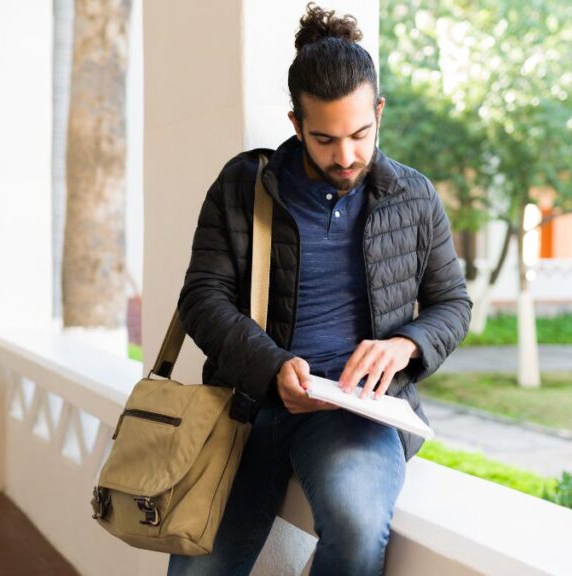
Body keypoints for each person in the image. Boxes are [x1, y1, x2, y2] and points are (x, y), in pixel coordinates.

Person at [168, 4, 471, 575]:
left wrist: (403, 345)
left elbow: (452, 303)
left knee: (357, 534)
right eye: (325, 139)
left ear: (379, 110)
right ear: (294, 123)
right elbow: (201, 298)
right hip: (247, 406)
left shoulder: (414, 196)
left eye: (361, 133)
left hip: (354, 413)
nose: (347, 156)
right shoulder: (244, 185)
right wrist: (271, 367)